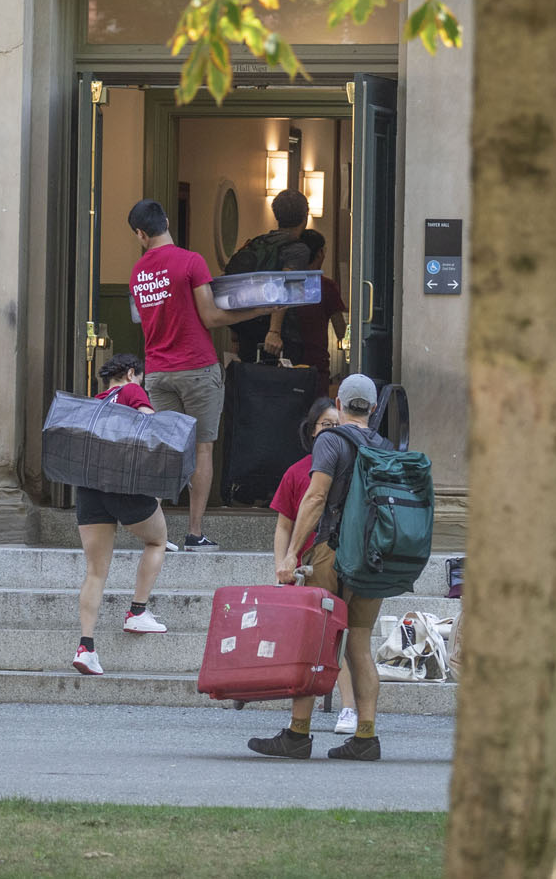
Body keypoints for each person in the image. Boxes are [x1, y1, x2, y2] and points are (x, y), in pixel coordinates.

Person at [248, 373, 392, 762]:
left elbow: (314, 499)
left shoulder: (331, 440)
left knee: (315, 639)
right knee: (359, 644)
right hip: (373, 558)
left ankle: (298, 734)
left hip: (331, 551)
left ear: (341, 404)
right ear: (374, 408)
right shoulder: (385, 446)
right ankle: (366, 736)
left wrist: (293, 553)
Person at [125, 197, 255, 550]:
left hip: (158, 371)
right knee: (201, 450)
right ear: (166, 221)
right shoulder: (191, 261)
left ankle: (158, 534)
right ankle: (194, 532)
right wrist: (254, 312)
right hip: (197, 367)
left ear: (140, 234)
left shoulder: (139, 272)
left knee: (165, 449)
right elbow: (210, 317)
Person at [71, 354, 170, 674]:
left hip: (88, 487)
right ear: (131, 373)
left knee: (95, 571)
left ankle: (86, 648)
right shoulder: (130, 391)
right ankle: (137, 612)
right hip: (123, 485)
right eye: (140, 377)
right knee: (157, 541)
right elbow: (148, 422)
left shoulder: (95, 402)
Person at [269, 396, 356, 734]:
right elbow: (283, 524)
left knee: (339, 637)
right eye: (325, 426)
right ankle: (300, 721)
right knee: (315, 640)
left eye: (338, 425)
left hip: (338, 561)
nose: (331, 432)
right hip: (304, 568)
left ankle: (347, 708)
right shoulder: (296, 472)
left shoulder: (352, 468)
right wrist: (282, 564)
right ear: (313, 430)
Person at [224, 188, 311, 364]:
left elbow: (234, 285)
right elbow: (285, 284)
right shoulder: (298, 250)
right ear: (305, 217)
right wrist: (274, 332)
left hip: (247, 332)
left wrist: (235, 333)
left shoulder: (256, 244)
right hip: (277, 339)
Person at [275, 236, 347, 371]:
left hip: (285, 359)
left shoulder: (286, 284)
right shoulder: (326, 286)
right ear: (319, 253)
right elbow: (341, 331)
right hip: (316, 362)